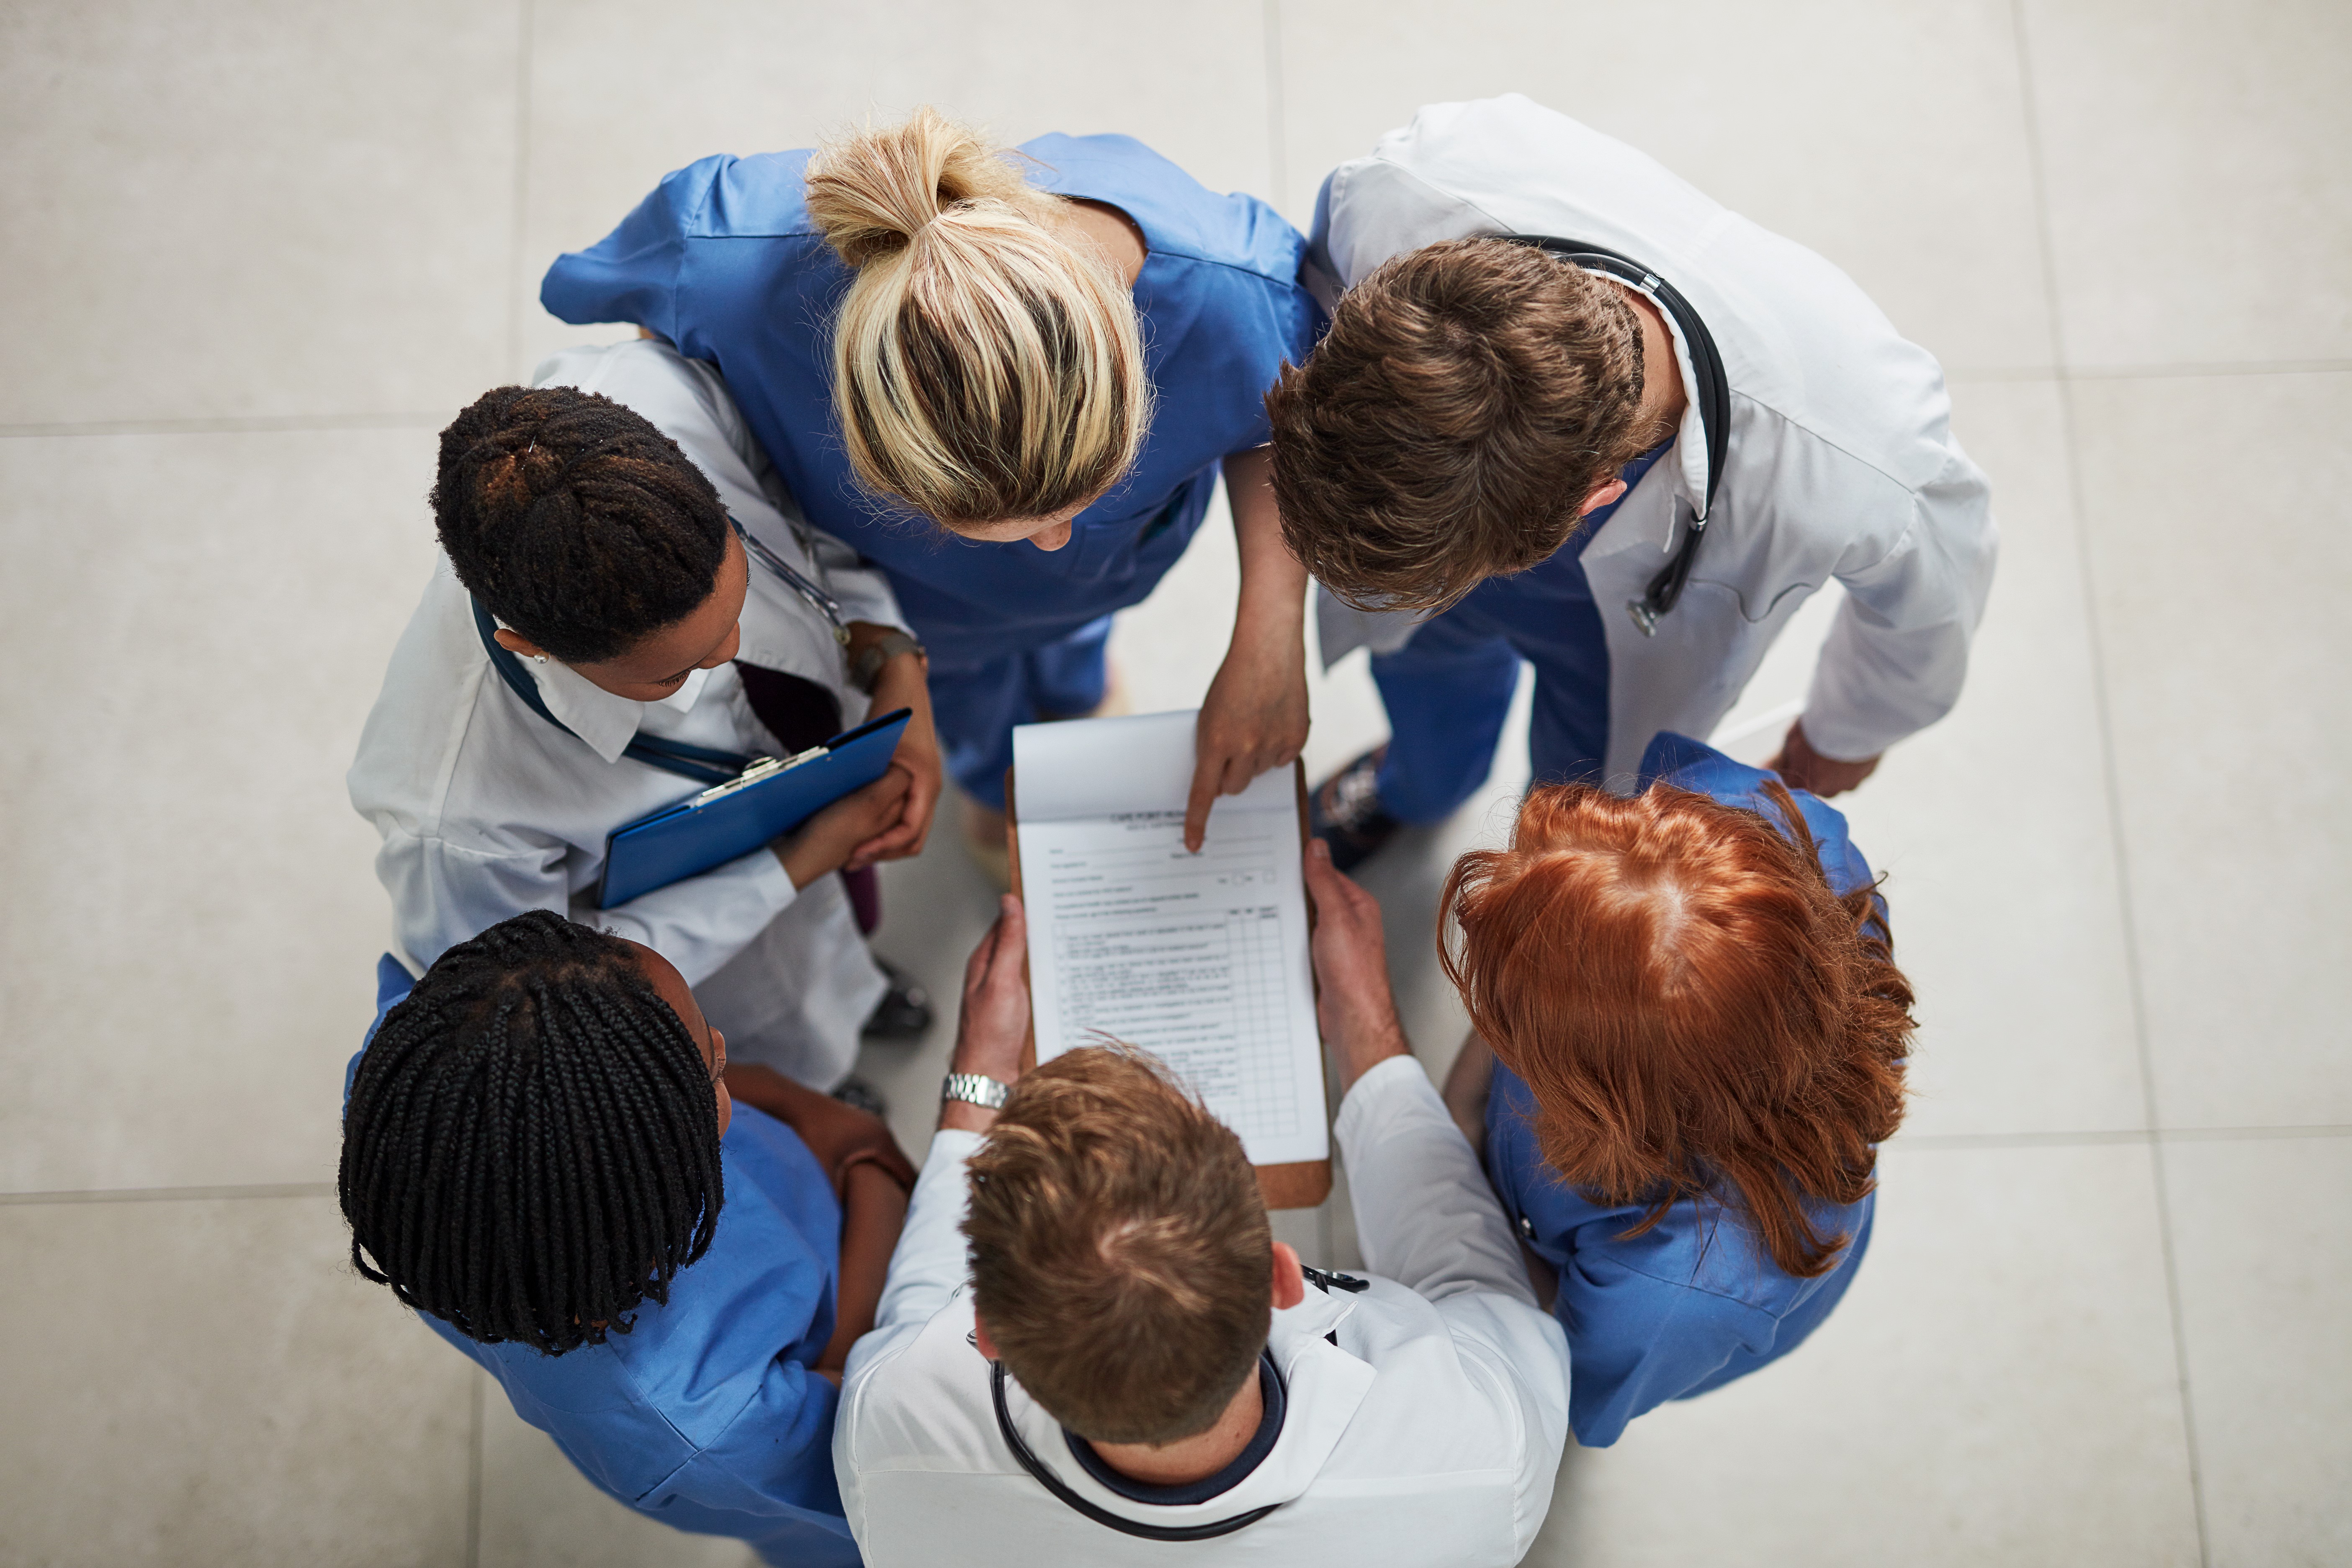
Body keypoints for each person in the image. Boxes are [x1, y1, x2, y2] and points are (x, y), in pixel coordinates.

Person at [542, 107, 1324, 865]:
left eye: (1082, 498)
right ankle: (992, 779)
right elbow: (648, 358)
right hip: (922, 609)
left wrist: (1271, 623)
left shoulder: (1239, 297)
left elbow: (1287, 426)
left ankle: (1075, 686)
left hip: (1113, 575)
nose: (1053, 545)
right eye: (1008, 525)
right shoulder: (721, 263)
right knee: (974, 709)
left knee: (1076, 654)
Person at [1267, 94, 1997, 868]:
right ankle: (1416, 785)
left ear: (1595, 497)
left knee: (1579, 815)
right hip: (1439, 533)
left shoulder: (1862, 453)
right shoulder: (1405, 191)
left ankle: (1547, 874)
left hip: (1613, 640)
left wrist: (1845, 730)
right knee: (1423, 683)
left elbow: (1933, 607)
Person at [831, 859, 1571, 1565]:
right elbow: (1478, 1287)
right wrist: (1363, 1025)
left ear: (985, 1334)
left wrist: (981, 1078)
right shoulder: (1475, 1449)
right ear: (1283, 1278)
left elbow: (919, 1307)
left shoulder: (891, 1439)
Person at [348, 337, 939, 1091]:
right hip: (727, 984)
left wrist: (893, 657)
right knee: (796, 1053)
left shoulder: (651, 393)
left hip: (822, 788)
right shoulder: (456, 826)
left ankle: (858, 986)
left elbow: (809, 523)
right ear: (531, 647)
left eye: (739, 598)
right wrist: (794, 865)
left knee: (839, 947)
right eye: (673, 673)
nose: (731, 652)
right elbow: (547, 1000)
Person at [341, 909, 916, 1567]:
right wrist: (874, 1175)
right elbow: (869, 1417)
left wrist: (802, 1108)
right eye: (713, 1069)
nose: (724, 1046)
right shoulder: (705, 1418)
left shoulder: (409, 1088)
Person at [1438, 731, 1915, 1447]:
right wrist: (1466, 1100)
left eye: (1515, 1023)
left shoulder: (1672, 1297)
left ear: (1612, 1103)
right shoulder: (1759, 822)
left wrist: (1453, 1189)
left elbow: (1560, 1374)